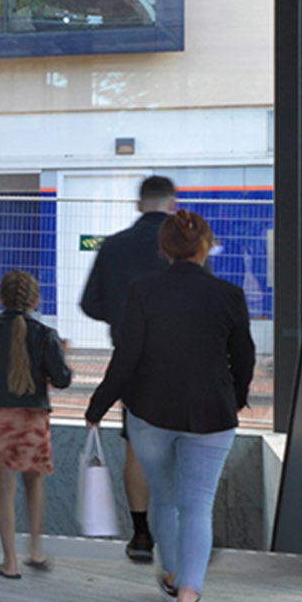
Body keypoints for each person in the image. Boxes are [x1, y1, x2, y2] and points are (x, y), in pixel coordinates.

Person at [85, 210, 255, 602]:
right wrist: (234, 399)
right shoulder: (229, 295)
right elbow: (245, 357)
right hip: (212, 415)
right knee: (198, 504)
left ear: (164, 249)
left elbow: (127, 356)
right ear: (204, 247)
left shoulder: (143, 291)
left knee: (163, 496)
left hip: (149, 412)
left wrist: (98, 405)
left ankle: (172, 573)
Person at [79, 175, 179, 562]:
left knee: (136, 444)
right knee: (182, 445)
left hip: (131, 361)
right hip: (180, 359)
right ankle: (180, 534)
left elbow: (90, 303)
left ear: (140, 204)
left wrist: (121, 319)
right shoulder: (178, 247)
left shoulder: (114, 246)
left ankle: (141, 536)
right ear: (172, 204)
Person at [0, 270, 74, 579]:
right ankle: (35, 550)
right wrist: (63, 356)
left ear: (0, 298)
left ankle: (9, 562)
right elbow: (61, 380)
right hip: (32, 418)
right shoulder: (46, 335)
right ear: (35, 301)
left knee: (4, 490)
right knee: (34, 482)